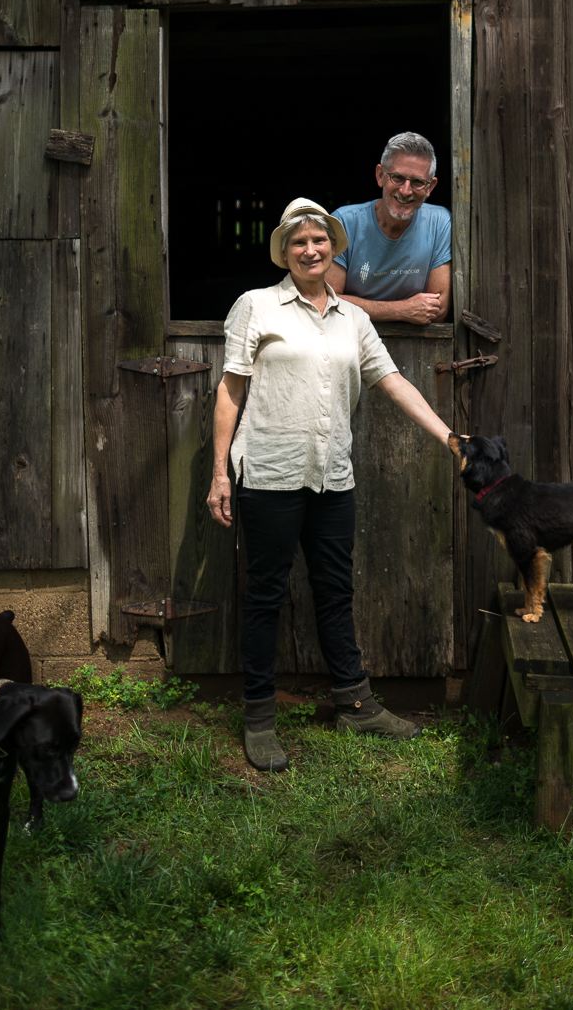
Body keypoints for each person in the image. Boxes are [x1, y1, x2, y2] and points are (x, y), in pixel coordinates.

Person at [206, 197, 453, 771]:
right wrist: (220, 472)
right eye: (299, 243)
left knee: (336, 592)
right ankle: (260, 716)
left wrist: (449, 438)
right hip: (269, 474)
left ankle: (356, 702)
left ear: (334, 249)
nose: (310, 250)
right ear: (285, 253)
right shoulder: (257, 306)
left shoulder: (355, 320)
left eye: (320, 241)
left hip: (332, 478)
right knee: (265, 596)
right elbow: (231, 390)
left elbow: (393, 382)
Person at [327, 132, 451, 325]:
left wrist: (359, 306)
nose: (405, 190)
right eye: (398, 178)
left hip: (418, 347)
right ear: (380, 176)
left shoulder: (440, 222)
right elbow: (328, 301)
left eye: (417, 182)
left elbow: (437, 309)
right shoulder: (344, 222)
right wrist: (402, 310)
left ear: (430, 187)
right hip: (351, 341)